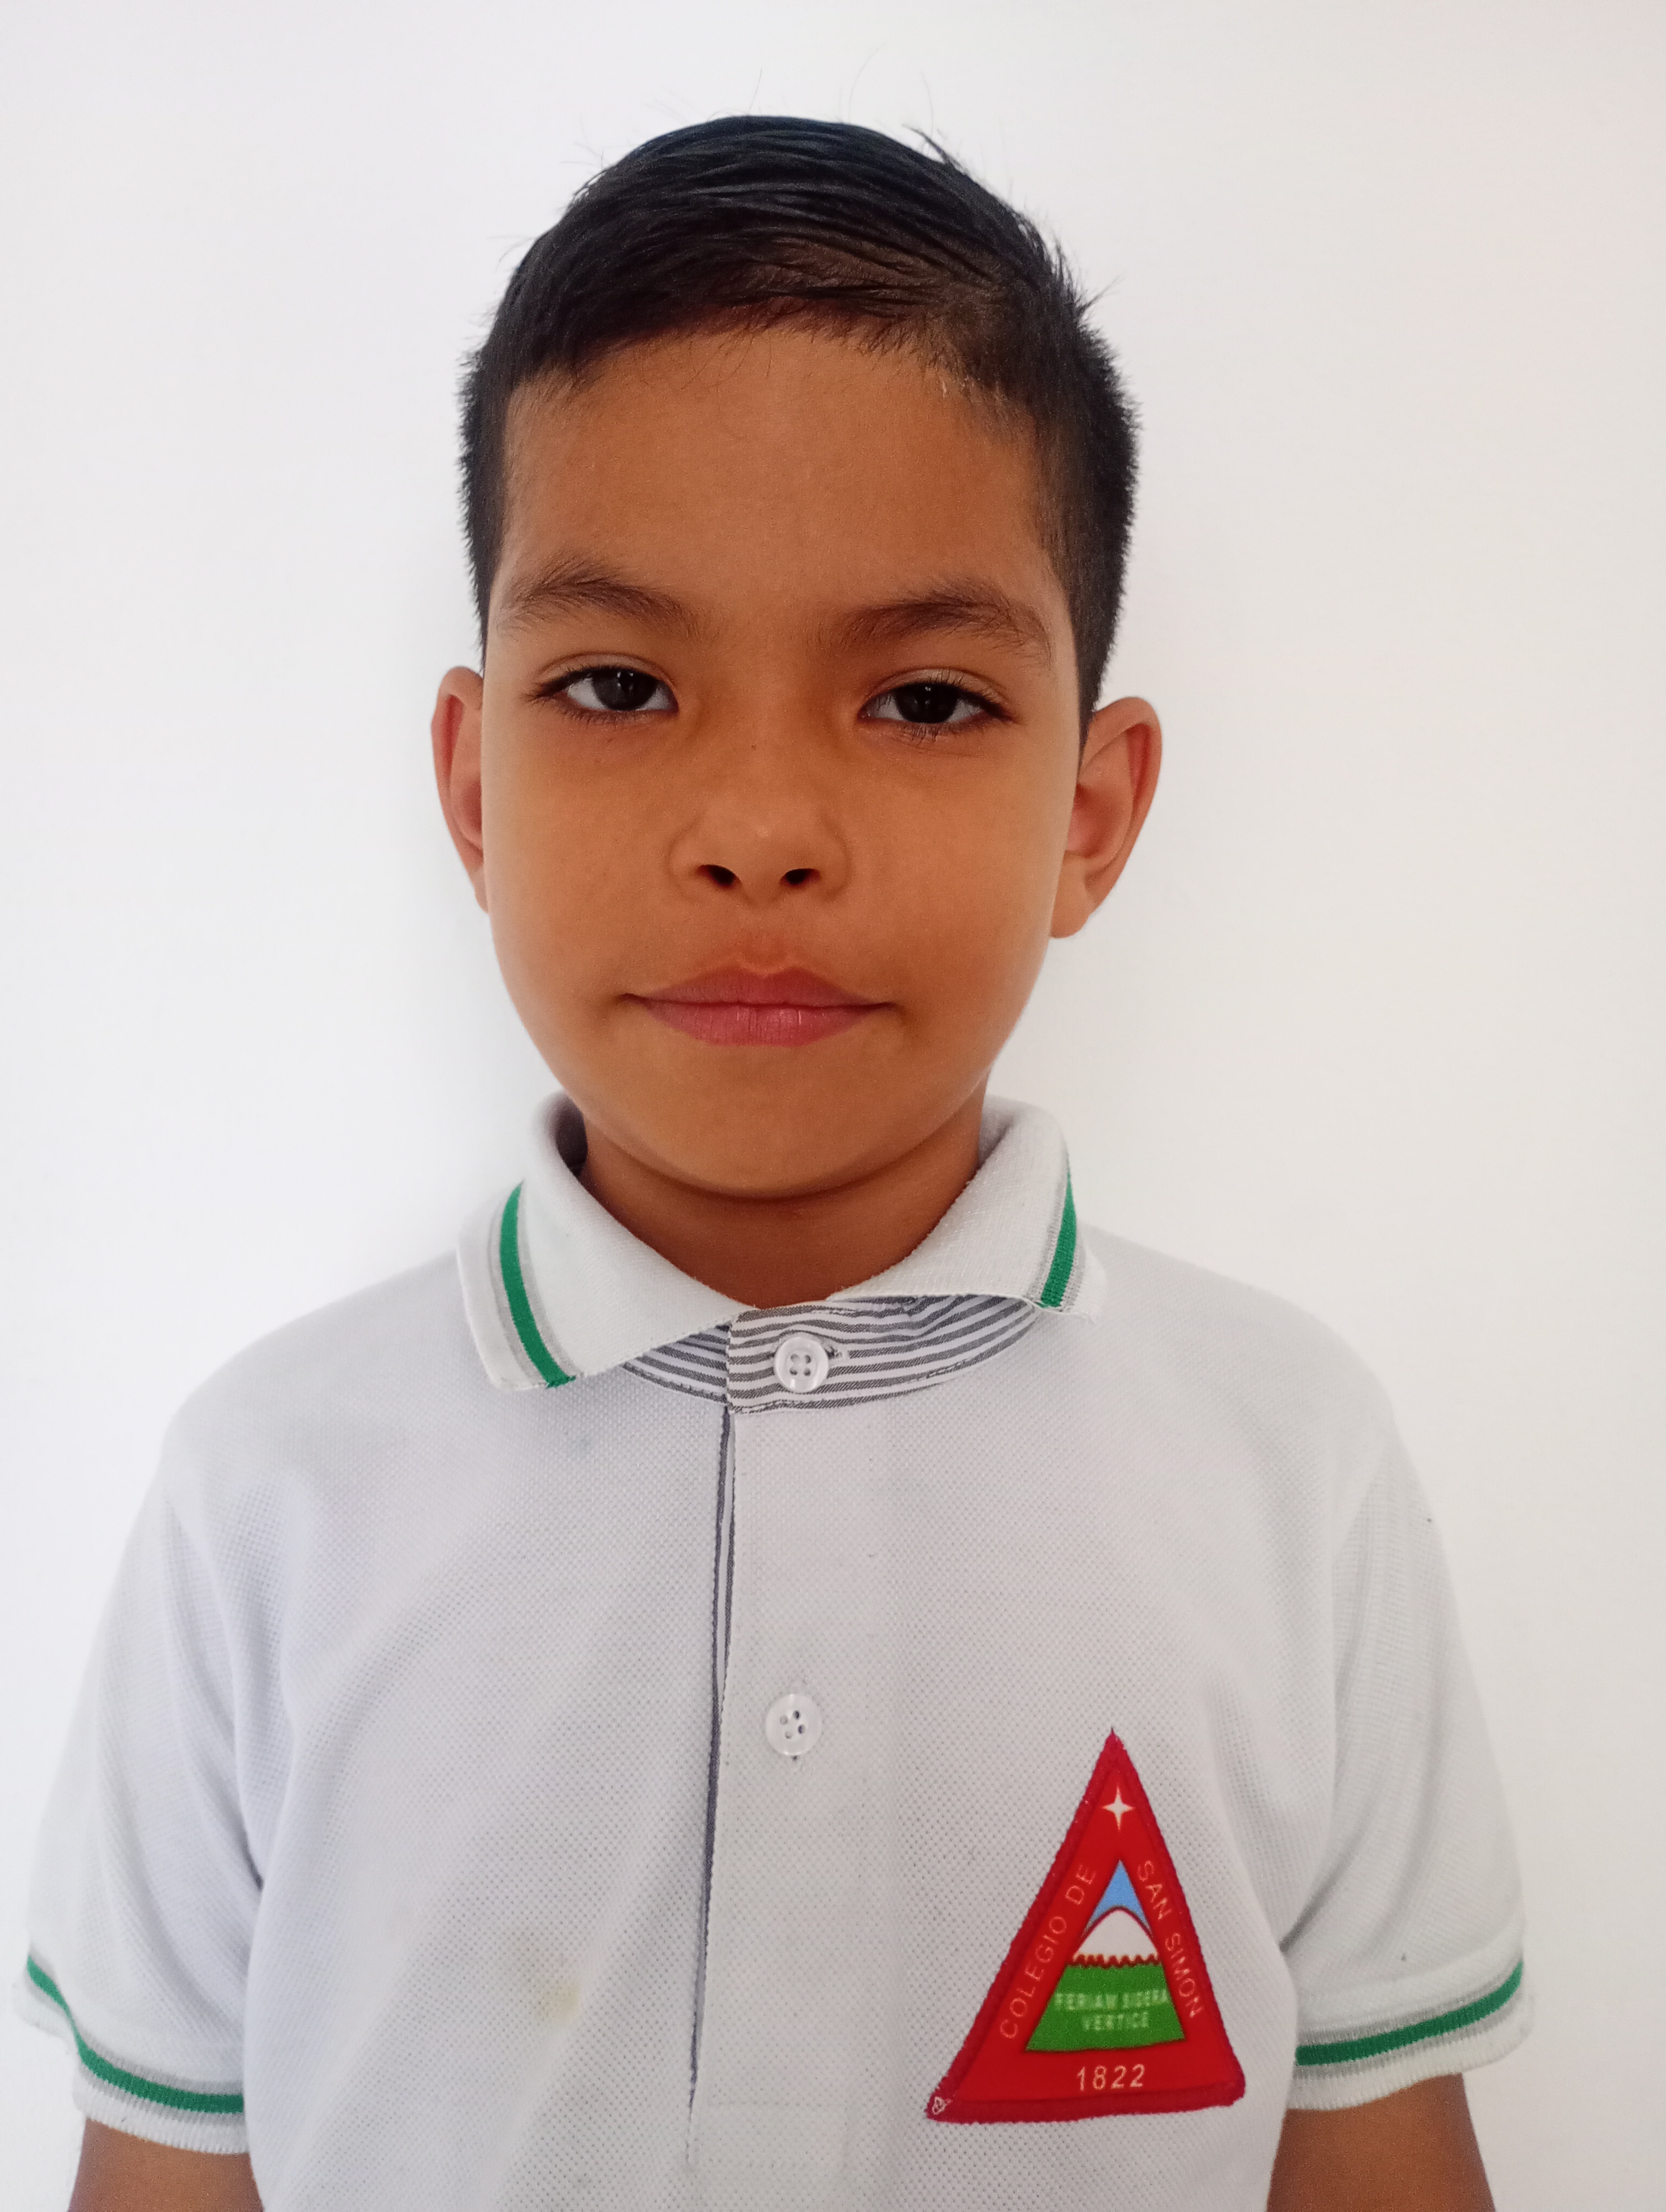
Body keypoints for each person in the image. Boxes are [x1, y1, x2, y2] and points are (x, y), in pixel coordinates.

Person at [18, 117, 1527, 2212]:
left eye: (924, 700)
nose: (758, 830)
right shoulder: (269, 1495)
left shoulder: (1291, 1467)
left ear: (1092, 816)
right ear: (473, 788)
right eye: (617, 683)